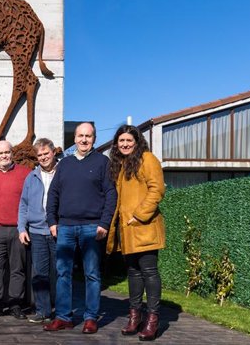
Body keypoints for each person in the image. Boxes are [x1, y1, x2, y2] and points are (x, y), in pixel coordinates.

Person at [44, 122, 117, 334]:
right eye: (80, 136)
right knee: (63, 273)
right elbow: (53, 195)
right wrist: (52, 222)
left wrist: (104, 223)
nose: (84, 140)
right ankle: (64, 317)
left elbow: (111, 194)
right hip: (65, 226)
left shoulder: (103, 162)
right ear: (74, 139)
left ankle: (91, 318)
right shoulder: (65, 164)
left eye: (88, 136)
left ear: (94, 139)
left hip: (91, 227)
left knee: (92, 274)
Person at [106, 125, 166, 341]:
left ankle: (152, 319)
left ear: (137, 141)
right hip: (128, 230)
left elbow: (157, 189)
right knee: (133, 273)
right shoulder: (121, 165)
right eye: (120, 141)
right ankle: (135, 317)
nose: (124, 144)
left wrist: (139, 215)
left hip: (145, 226)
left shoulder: (147, 159)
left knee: (149, 271)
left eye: (128, 140)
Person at [0, 140, 31, 319]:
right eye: (0, 153)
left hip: (19, 229)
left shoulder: (26, 173)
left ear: (12, 153)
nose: (4, 156)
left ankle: (15, 303)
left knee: (18, 268)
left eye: (7, 152)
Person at [18, 138, 58, 324]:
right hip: (37, 232)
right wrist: (21, 228)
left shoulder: (63, 174)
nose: (43, 157)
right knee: (39, 273)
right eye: (39, 155)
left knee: (59, 273)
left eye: (46, 153)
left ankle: (61, 309)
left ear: (53, 152)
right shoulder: (31, 177)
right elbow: (23, 205)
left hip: (59, 230)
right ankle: (42, 310)